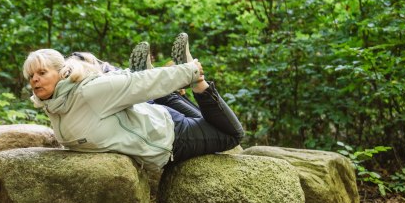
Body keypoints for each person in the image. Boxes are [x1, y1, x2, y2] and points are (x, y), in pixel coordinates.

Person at [24, 33, 244, 169]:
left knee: (234, 135)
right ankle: (166, 95)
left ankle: (198, 83)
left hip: (170, 135)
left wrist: (190, 72)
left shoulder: (87, 92)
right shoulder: (55, 105)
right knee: (204, 119)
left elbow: (140, 82)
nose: (35, 79)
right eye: (30, 76)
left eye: (41, 73)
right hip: (152, 118)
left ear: (60, 71)